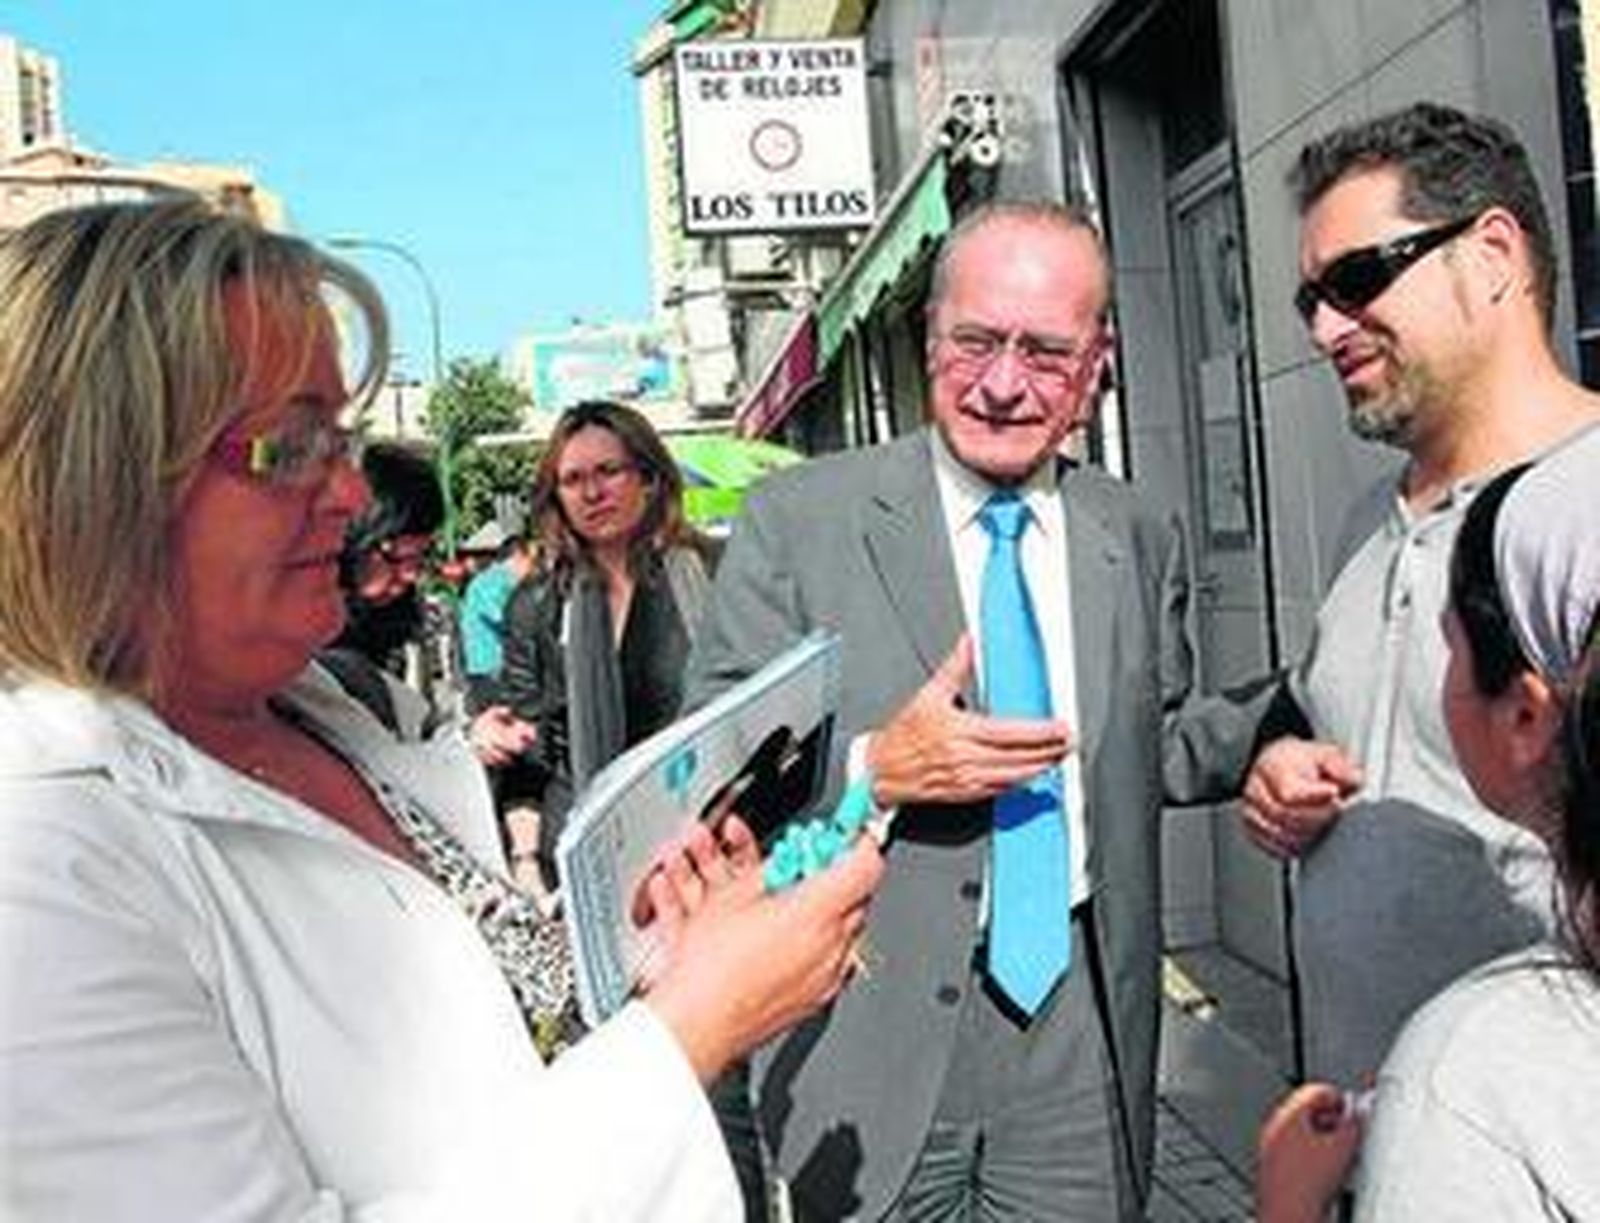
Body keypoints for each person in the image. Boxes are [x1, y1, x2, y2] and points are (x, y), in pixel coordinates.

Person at [0, 198, 883, 1220]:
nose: (345, 495)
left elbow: (498, 1044)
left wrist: (660, 955)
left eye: (342, 440)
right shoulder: (39, 857)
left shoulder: (326, 714)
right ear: (93, 482)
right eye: (290, 448)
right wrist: (694, 1025)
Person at [688, 201, 1263, 1220]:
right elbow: (713, 779)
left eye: (1046, 353)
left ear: (1097, 365)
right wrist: (873, 767)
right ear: (927, 339)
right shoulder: (796, 521)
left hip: (1076, 1034)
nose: (1003, 385)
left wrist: (1281, 733)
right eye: (975, 343)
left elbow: (1147, 740)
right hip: (862, 1024)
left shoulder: (1135, 528)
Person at [1239, 102, 1600, 1086]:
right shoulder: (1369, 517)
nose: (1323, 327)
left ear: (1490, 254)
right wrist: (1275, 768)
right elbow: (1323, 716)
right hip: (1363, 1134)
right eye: (1305, 300)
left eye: (1355, 280)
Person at [1257, 423, 1600, 1221]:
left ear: (1524, 713)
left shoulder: (1474, 1080)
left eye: (1446, 648)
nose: (1331, 323)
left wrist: (1285, 1208)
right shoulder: (1364, 526)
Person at [500, 399, 720, 882]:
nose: (593, 492)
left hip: (708, 837)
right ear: (555, 497)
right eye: (573, 480)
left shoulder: (711, 571)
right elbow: (526, 754)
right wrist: (526, 866)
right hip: (584, 851)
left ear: (649, 476)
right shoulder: (536, 604)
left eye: (608, 471)